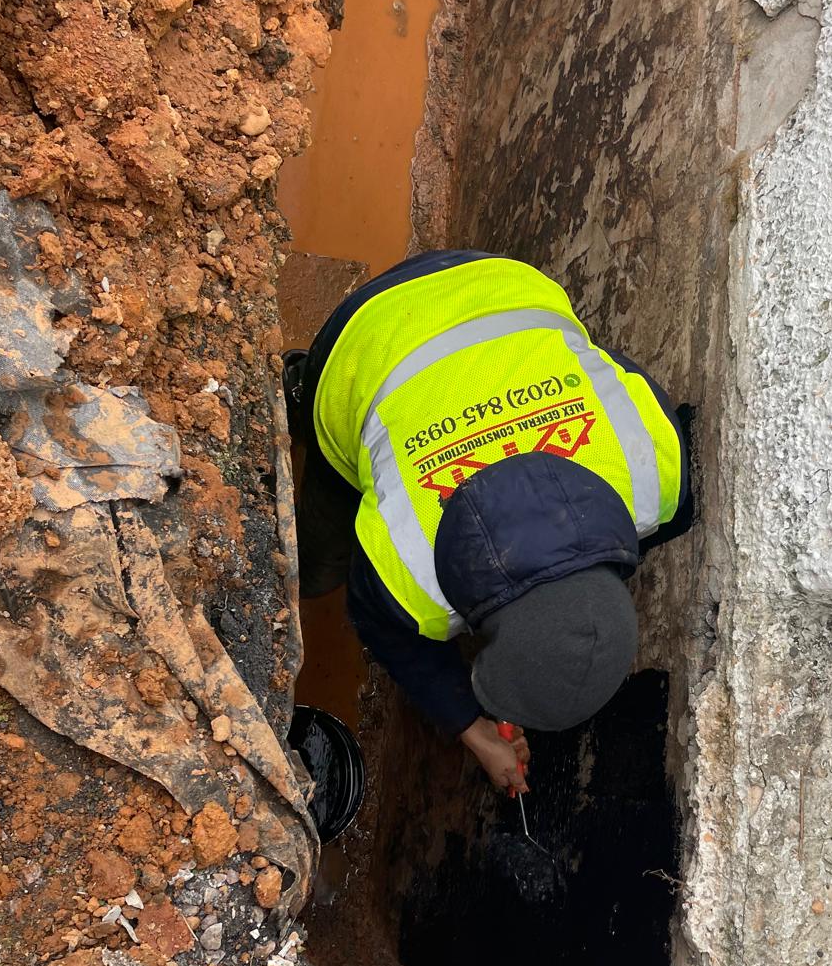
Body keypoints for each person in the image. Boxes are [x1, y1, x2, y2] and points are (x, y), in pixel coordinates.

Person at [284, 250, 693, 796]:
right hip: (366, 334)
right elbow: (385, 630)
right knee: (315, 564)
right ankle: (302, 385)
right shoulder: (412, 571)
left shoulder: (660, 479)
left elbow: (616, 372)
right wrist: (469, 726)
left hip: (506, 285)